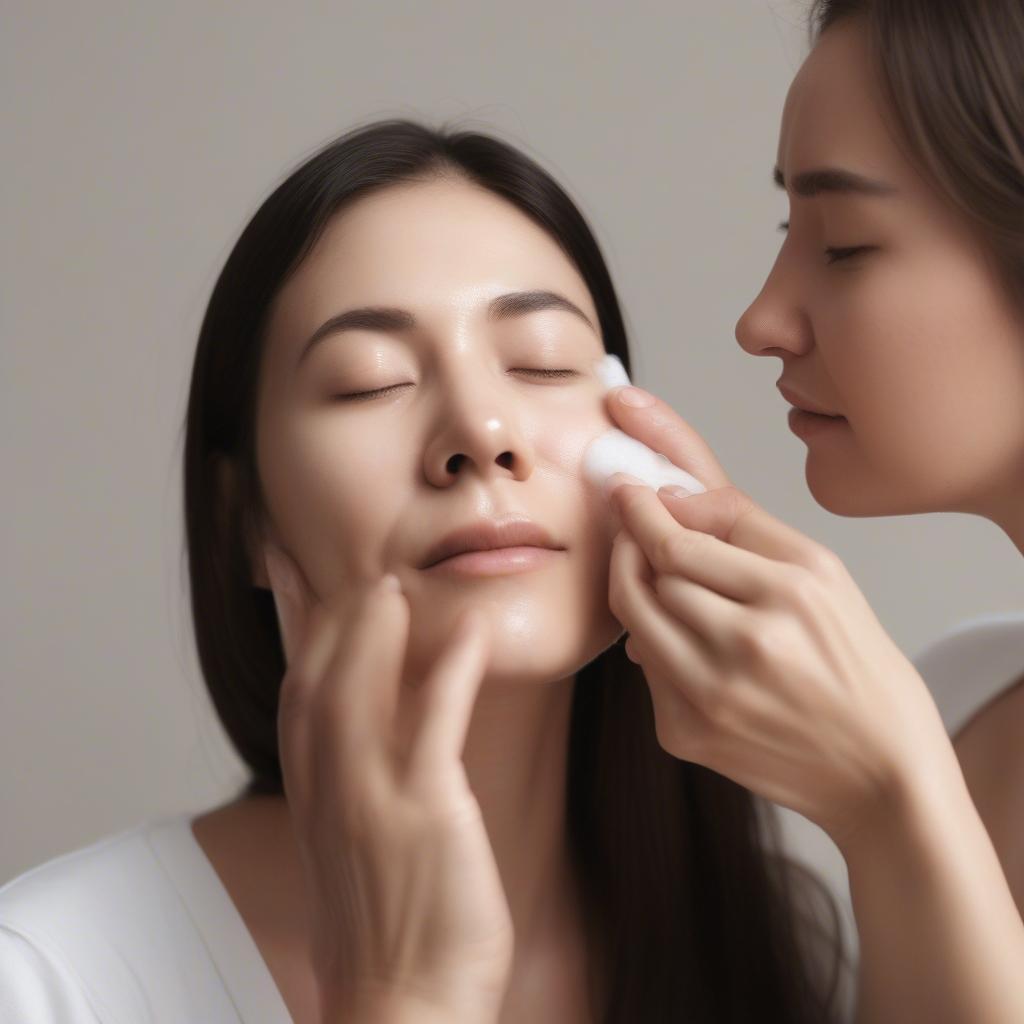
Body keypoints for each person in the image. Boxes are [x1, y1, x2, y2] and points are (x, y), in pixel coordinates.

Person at [0, 121, 850, 1023]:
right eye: (368, 381)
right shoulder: (45, 979)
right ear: (242, 516)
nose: (484, 432)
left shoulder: (775, 937)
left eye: (543, 363)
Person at [600, 0, 1024, 1020]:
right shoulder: (962, 704)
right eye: (789, 226)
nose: (760, 321)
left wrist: (893, 806)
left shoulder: (916, 744)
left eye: (840, 244)